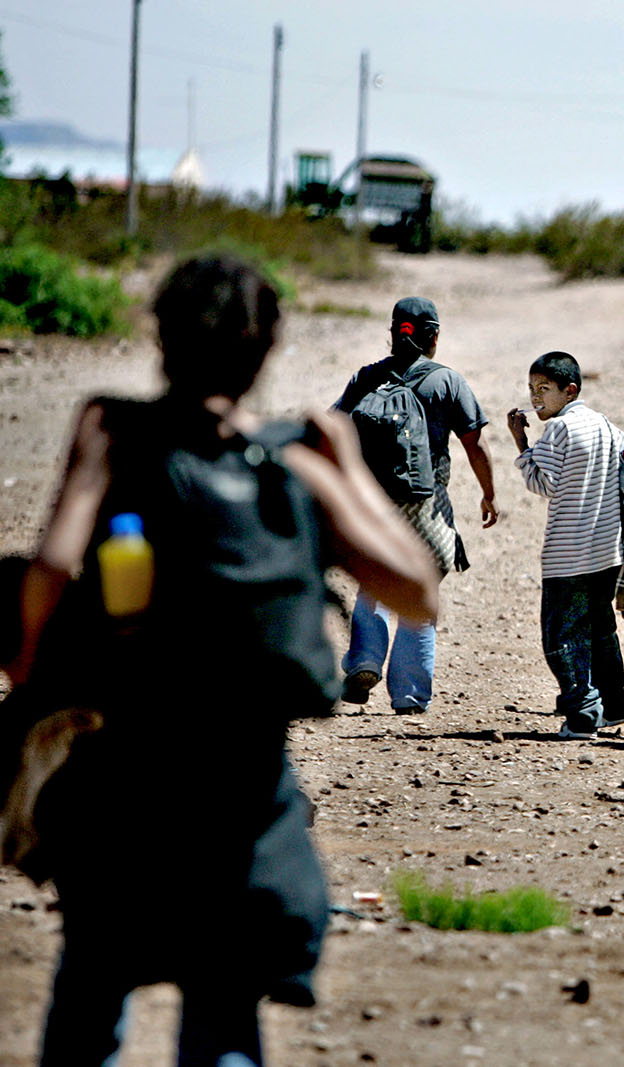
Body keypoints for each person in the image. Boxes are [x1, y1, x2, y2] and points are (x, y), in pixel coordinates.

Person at [8, 255, 439, 1066]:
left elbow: (56, 568)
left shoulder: (112, 431)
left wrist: (31, 672)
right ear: (267, 345)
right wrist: (345, 467)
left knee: (93, 987)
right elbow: (418, 590)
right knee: (225, 1008)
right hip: (244, 784)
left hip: (122, 771)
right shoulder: (295, 461)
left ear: (161, 335)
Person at [332, 297, 497, 713]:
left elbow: (333, 429)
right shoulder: (448, 382)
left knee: (373, 584)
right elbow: (475, 443)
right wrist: (488, 493)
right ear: (434, 337)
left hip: (373, 501)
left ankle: (365, 659)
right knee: (420, 595)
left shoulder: (366, 378)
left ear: (392, 333)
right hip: (427, 501)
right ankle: (408, 694)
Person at [508, 351, 624, 740]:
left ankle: (582, 712)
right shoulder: (603, 424)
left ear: (569, 390)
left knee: (563, 634)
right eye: (532, 389)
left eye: (544, 390)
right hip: (606, 551)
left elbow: (542, 484)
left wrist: (521, 443)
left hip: (568, 555)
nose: (535, 399)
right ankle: (615, 703)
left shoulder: (560, 429)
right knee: (601, 629)